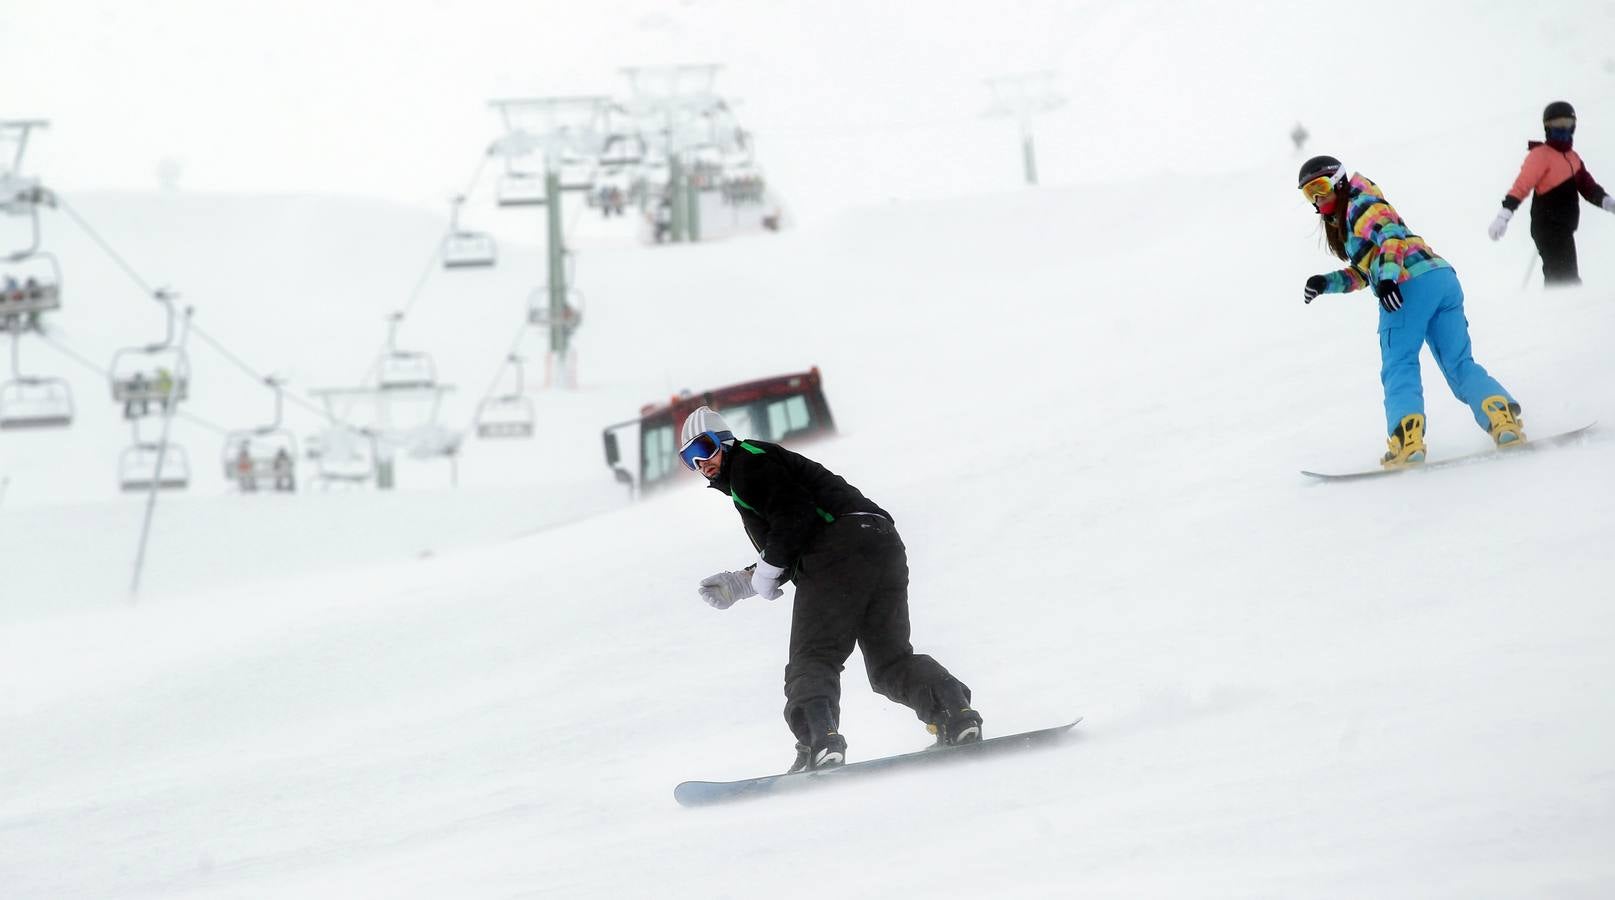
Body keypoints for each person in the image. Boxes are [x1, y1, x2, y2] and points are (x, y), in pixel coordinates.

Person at [680, 405, 981, 773]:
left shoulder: (747, 462)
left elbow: (797, 518)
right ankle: (955, 714)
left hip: (839, 548)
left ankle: (817, 743)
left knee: (813, 657)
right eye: (689, 459)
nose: (702, 463)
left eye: (705, 448)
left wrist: (765, 570)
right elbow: (795, 530)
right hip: (880, 543)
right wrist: (748, 580)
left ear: (725, 440)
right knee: (890, 662)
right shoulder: (754, 471)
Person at [1297, 155, 1525, 468]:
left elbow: (1391, 236)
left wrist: (1390, 277)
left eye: (1321, 187)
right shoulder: (1358, 212)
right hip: (1441, 279)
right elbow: (1366, 272)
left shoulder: (1359, 205)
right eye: (1310, 194)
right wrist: (1326, 282)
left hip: (1407, 286)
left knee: (1399, 364)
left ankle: (1407, 442)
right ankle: (1501, 418)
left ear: (1339, 181)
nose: (1318, 199)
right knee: (1459, 364)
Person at [1488, 101, 1614, 287]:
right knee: (1564, 277)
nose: (1562, 130)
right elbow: (1521, 186)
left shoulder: (1573, 157)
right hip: (1548, 226)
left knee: (1564, 276)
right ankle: (1558, 310)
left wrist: (1608, 202)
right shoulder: (1540, 155)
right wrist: (1503, 215)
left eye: (1567, 124)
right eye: (1557, 125)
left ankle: (1557, 309)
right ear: (1547, 127)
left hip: (1564, 227)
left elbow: (1588, 187)